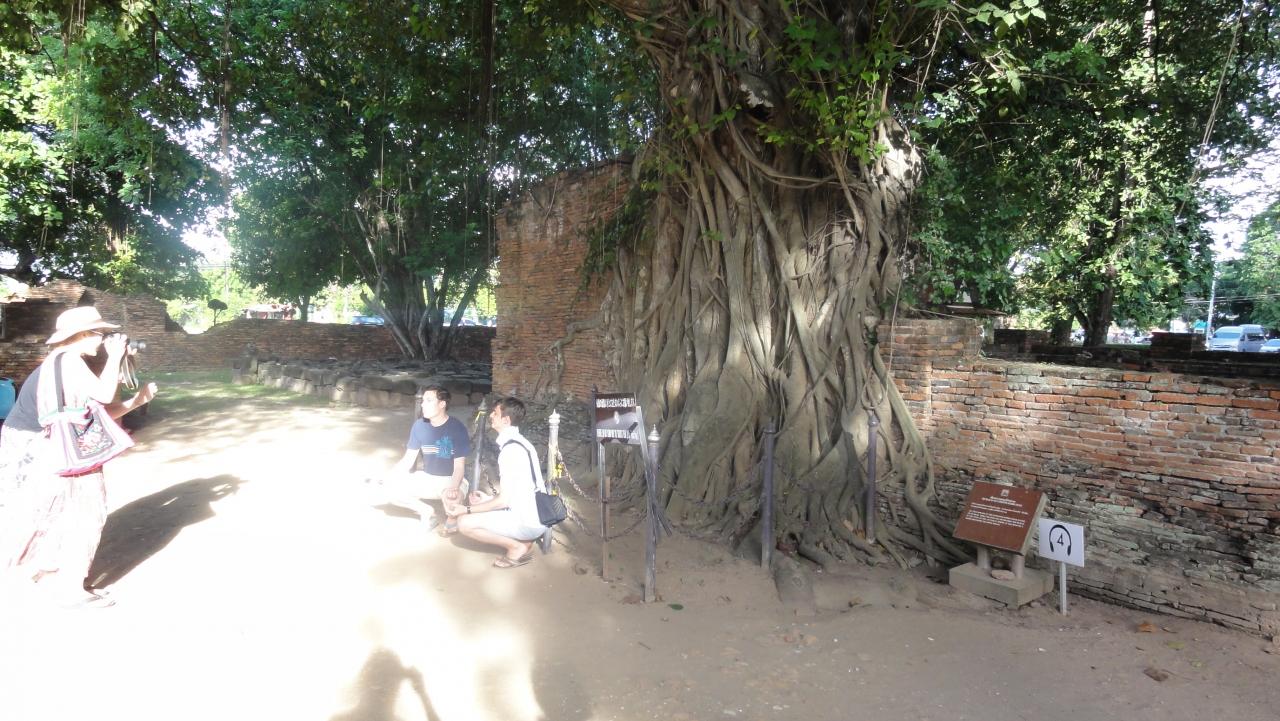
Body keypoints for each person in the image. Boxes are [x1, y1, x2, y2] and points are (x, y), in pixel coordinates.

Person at [0, 306, 157, 608]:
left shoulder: (60, 363)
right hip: (43, 447)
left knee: (54, 512)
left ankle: (48, 573)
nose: (103, 339)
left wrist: (136, 401)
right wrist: (114, 357)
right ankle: (69, 588)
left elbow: (94, 412)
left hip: (34, 446)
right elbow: (102, 395)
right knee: (86, 510)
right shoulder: (69, 361)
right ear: (82, 334)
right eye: (100, 333)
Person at [444, 396, 548, 569]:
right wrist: (487, 499)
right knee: (479, 503)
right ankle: (523, 539)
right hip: (538, 515)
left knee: (464, 523)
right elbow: (517, 490)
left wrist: (466, 509)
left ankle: (516, 547)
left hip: (528, 522)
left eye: (495, 413)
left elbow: (504, 501)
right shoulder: (522, 443)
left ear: (506, 420)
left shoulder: (510, 451)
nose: (491, 415)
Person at [371, 385, 472, 533]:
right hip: (428, 477)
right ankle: (426, 511)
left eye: (429, 400)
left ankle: (452, 518)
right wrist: (389, 476)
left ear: (442, 404)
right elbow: (408, 459)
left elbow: (459, 467)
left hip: (452, 479)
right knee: (388, 488)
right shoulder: (419, 426)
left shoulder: (457, 428)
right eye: (423, 400)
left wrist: (454, 487)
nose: (423, 404)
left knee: (452, 501)